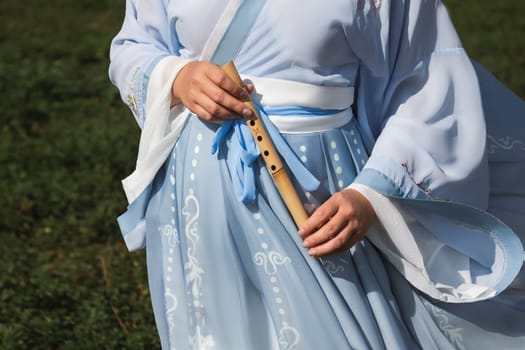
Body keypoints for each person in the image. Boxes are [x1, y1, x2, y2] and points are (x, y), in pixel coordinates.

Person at [109, 1, 525, 349]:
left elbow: (426, 80)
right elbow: (135, 45)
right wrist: (176, 78)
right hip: (199, 195)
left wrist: (372, 194)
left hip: (324, 189)